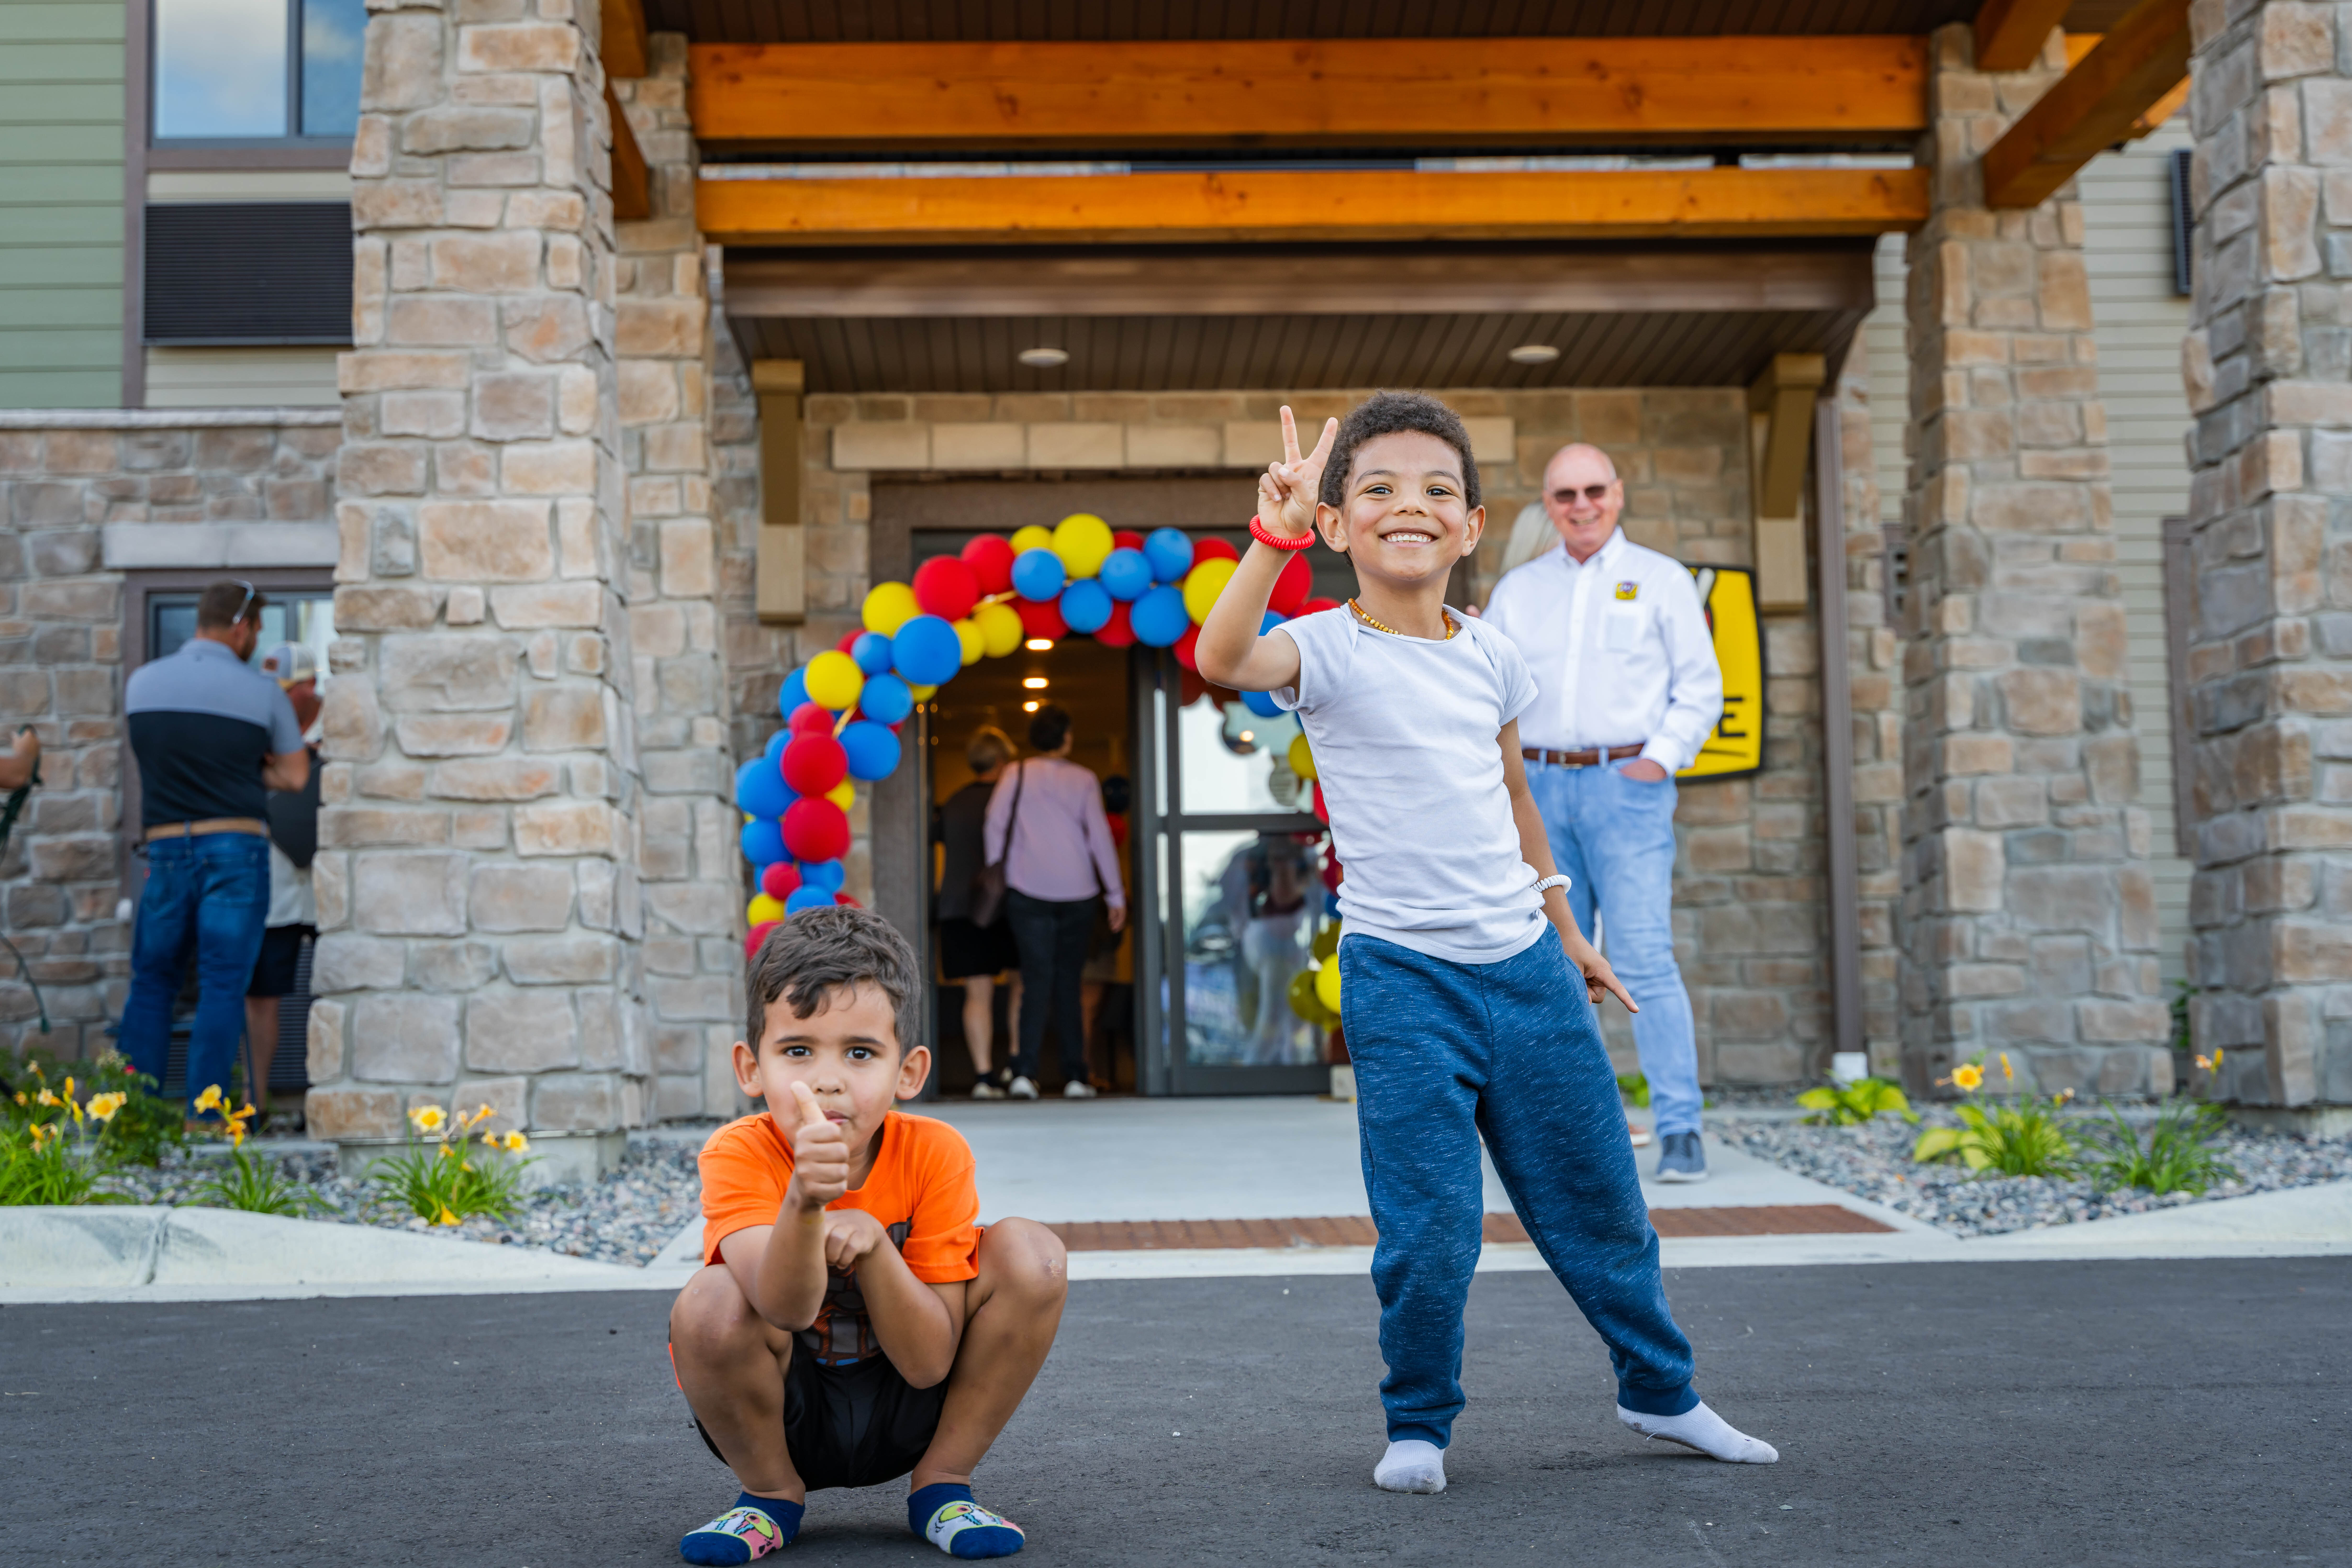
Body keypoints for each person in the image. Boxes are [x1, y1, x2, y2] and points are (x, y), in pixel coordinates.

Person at [1198, 395, 1776, 1497]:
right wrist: (1268, 539)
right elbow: (1223, 656)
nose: (1407, 505)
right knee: (1430, 1233)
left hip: (1526, 971)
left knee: (1603, 1203)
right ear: (1336, 527)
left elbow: (1515, 795)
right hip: (1402, 978)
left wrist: (1569, 932)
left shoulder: (1496, 657)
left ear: (1470, 529)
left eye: (1435, 491)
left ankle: (1660, 1390)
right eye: (1376, 489)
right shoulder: (1321, 647)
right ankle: (1419, 1423)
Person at [668, 907, 1066, 1563]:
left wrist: (879, 1247)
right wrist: (803, 1202)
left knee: (1034, 1254)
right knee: (709, 1300)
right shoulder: (737, 1152)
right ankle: (770, 1497)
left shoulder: (936, 1152)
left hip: (908, 1403)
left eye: (860, 1052)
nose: (827, 1079)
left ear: (908, 1072)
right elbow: (786, 1308)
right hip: (785, 1413)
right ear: (750, 1067)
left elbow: (929, 1362)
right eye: (798, 1050)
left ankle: (942, 1486)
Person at [1482, 443, 1724, 1182]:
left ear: (1616, 495)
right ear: (1548, 505)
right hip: (1540, 793)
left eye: (1593, 491)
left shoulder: (1660, 580)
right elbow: (1488, 686)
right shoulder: (1519, 591)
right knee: (1555, 964)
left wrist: (1659, 758)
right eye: (1564, 495)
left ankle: (1679, 1126)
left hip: (1628, 786)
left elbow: (1699, 686)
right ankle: (1583, 1133)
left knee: (1644, 955)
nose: (1580, 506)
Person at [119, 581, 307, 1123]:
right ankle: (206, 1119)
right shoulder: (262, 692)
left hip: (165, 848)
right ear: (242, 627)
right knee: (225, 985)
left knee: (153, 980)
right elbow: (294, 774)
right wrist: (249, 768)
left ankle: (135, 1118)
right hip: (235, 846)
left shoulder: (143, 684)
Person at [982, 705, 1125, 1100]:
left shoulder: (1017, 773)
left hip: (1027, 891)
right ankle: (1076, 1076)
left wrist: (1003, 871)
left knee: (1035, 981)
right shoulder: (1084, 779)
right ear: (1065, 737)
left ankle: (1025, 1073)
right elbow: (1098, 837)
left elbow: (994, 823)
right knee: (1069, 983)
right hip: (1079, 892)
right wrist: (1114, 893)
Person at [243, 643, 324, 1120]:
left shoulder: (347, 730)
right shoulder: (257, 733)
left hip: (332, 888)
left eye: (285, 692)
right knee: (261, 994)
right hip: (275, 883)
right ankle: (255, 1106)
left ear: (310, 687)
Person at [932, 726, 1022, 1099]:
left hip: (959, 907)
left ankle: (983, 1077)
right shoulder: (1014, 802)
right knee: (1022, 985)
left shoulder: (952, 803)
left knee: (977, 992)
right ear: (1003, 761)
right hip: (1009, 904)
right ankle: (1018, 1067)